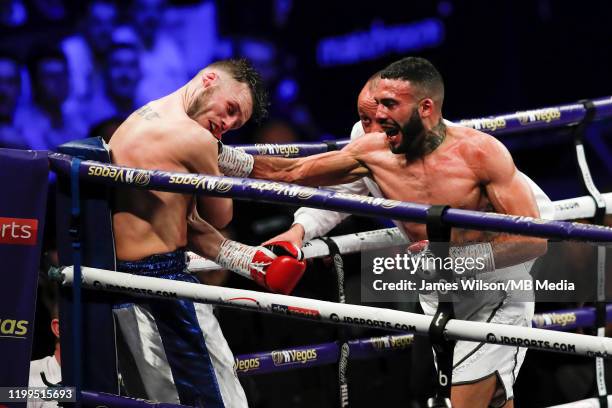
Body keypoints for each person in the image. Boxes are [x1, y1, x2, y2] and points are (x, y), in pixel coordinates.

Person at [219, 57, 548, 408]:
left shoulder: (475, 154)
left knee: (465, 400)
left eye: (388, 108)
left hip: (494, 289)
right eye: (367, 117)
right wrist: (219, 155)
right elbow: (301, 175)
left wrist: (457, 258)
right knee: (495, 400)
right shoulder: (373, 146)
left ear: (422, 109)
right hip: (441, 293)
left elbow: (534, 236)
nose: (378, 124)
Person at [108, 58, 304, 407]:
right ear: (208, 80)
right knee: (216, 400)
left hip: (144, 285)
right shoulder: (193, 136)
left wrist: (248, 260)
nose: (226, 125)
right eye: (229, 110)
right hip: (161, 291)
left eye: (235, 123)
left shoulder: (145, 115)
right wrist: (219, 158)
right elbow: (221, 213)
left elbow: (186, 221)